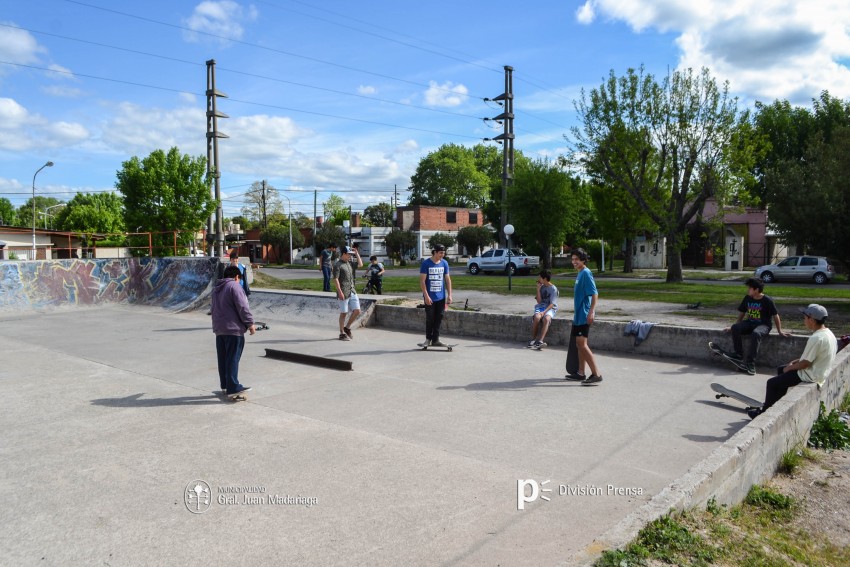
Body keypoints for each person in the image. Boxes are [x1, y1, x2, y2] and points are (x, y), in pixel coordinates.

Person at [748, 304, 837, 419]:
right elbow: (810, 357)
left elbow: (806, 363)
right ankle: (775, 404)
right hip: (819, 371)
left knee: (772, 383)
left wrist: (789, 368)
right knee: (781, 370)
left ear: (812, 320)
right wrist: (794, 362)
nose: (804, 320)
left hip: (811, 375)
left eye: (805, 317)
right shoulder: (828, 334)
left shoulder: (816, 338)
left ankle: (763, 414)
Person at [716, 277, 789, 375]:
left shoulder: (767, 300)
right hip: (750, 323)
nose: (748, 290)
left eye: (750, 288)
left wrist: (780, 331)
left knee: (756, 334)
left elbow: (776, 315)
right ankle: (738, 354)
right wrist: (734, 327)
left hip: (764, 325)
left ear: (756, 290)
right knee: (735, 328)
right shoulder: (747, 298)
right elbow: (742, 313)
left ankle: (750, 363)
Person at [210, 265, 256, 398]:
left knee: (223, 359)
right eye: (239, 279)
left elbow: (213, 309)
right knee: (232, 359)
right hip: (233, 330)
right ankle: (233, 387)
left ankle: (225, 385)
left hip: (220, 329)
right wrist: (250, 324)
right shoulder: (234, 286)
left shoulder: (216, 289)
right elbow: (243, 307)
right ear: (236, 277)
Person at [566, 248, 603, 385]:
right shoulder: (580, 272)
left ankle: (596, 374)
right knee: (579, 344)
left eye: (577, 259)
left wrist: (592, 311)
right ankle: (581, 373)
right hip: (578, 315)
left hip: (584, 315)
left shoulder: (586, 273)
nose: (574, 262)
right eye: (573, 259)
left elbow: (595, 293)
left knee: (582, 344)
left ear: (583, 260)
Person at [419, 244, 453, 347]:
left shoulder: (444, 263)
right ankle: (428, 339)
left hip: (441, 297)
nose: (442, 255)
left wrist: (449, 295)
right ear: (435, 252)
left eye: (443, 253)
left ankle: (436, 339)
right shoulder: (426, 263)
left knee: (439, 318)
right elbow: (422, 281)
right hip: (430, 297)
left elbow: (447, 279)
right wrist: (426, 296)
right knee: (430, 318)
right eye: (440, 253)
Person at [333, 245, 363, 340]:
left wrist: (357, 254)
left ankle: (347, 327)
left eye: (351, 254)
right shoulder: (338, 265)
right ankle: (341, 333)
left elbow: (361, 264)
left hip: (352, 290)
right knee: (344, 313)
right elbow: (336, 279)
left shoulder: (350, 263)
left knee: (357, 311)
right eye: (349, 254)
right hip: (343, 292)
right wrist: (340, 292)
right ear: (343, 254)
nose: (350, 256)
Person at [528, 269, 558, 349]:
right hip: (541, 306)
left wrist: (544, 312)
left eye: (540, 277)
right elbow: (539, 301)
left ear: (544, 278)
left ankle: (540, 341)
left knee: (547, 319)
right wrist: (538, 289)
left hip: (550, 308)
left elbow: (552, 304)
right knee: (537, 317)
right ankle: (533, 339)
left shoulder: (553, 289)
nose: (538, 279)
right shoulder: (541, 287)